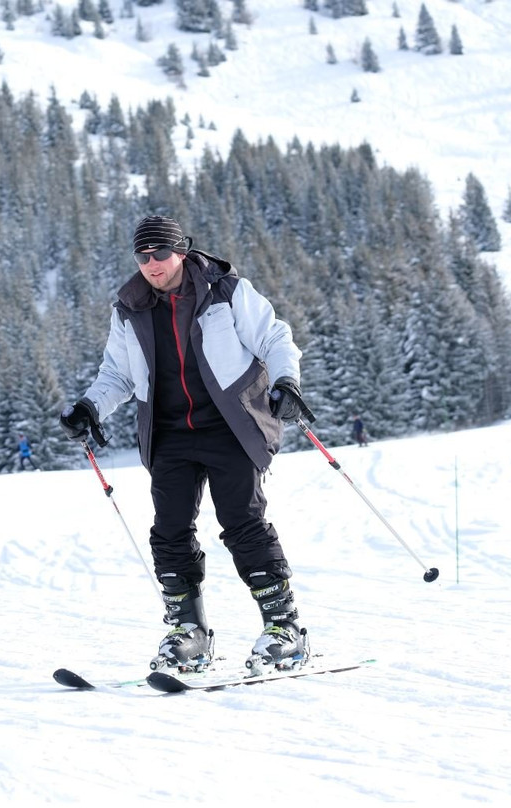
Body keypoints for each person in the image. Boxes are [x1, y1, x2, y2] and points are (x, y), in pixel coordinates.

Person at [59, 215, 310, 674]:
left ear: (181, 251)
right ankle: (189, 633)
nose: (152, 264)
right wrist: (89, 407)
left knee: (242, 523)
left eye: (160, 253)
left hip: (230, 426)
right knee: (169, 530)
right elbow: (118, 373)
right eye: (142, 256)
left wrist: (286, 382)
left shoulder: (226, 291)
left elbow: (274, 337)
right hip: (169, 432)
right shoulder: (130, 308)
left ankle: (284, 628)